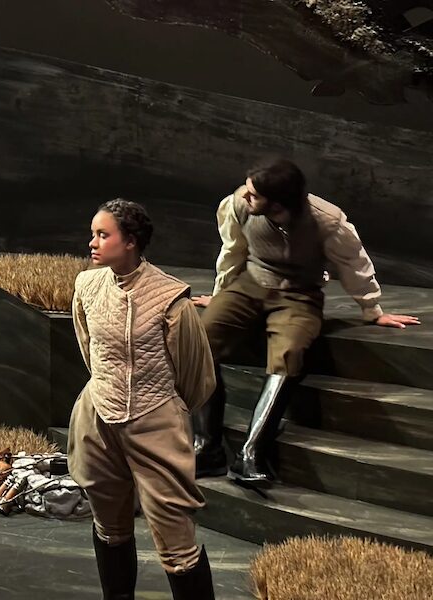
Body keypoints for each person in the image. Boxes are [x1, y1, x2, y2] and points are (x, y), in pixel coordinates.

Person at [191, 158, 420, 483]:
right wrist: (220, 293)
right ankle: (207, 448)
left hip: (298, 293)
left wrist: (372, 310)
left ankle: (251, 453)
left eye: (254, 194)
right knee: (200, 339)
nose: (245, 196)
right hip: (252, 283)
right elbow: (233, 250)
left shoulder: (326, 221)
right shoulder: (239, 205)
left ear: (279, 201)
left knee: (288, 353)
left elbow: (355, 263)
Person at [69, 199, 216, 599]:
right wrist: (105, 387)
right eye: (94, 233)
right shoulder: (87, 285)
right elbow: (89, 347)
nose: (93, 243)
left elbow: (197, 377)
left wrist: (161, 407)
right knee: (109, 525)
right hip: (98, 417)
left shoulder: (170, 299)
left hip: (154, 421)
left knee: (176, 538)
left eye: (104, 235)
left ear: (130, 241)